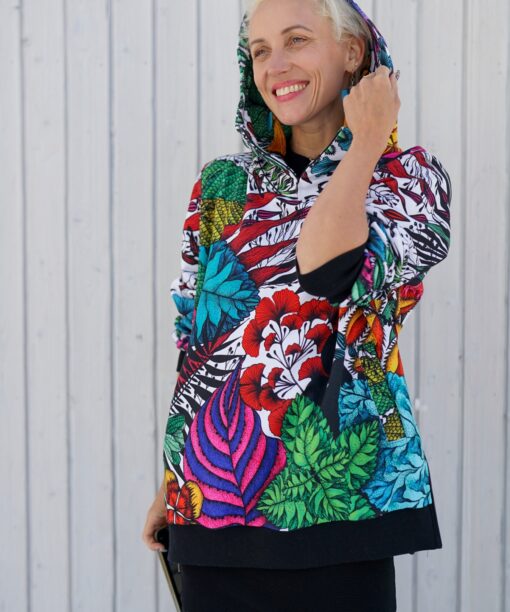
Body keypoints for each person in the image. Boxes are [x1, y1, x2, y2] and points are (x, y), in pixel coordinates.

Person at [142, 0, 452, 610]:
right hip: (215, 510)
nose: (275, 64)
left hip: (345, 507)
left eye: (297, 40)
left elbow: (326, 270)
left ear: (353, 52)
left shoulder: (411, 179)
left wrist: (367, 142)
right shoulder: (221, 185)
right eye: (260, 50)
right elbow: (199, 344)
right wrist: (172, 483)